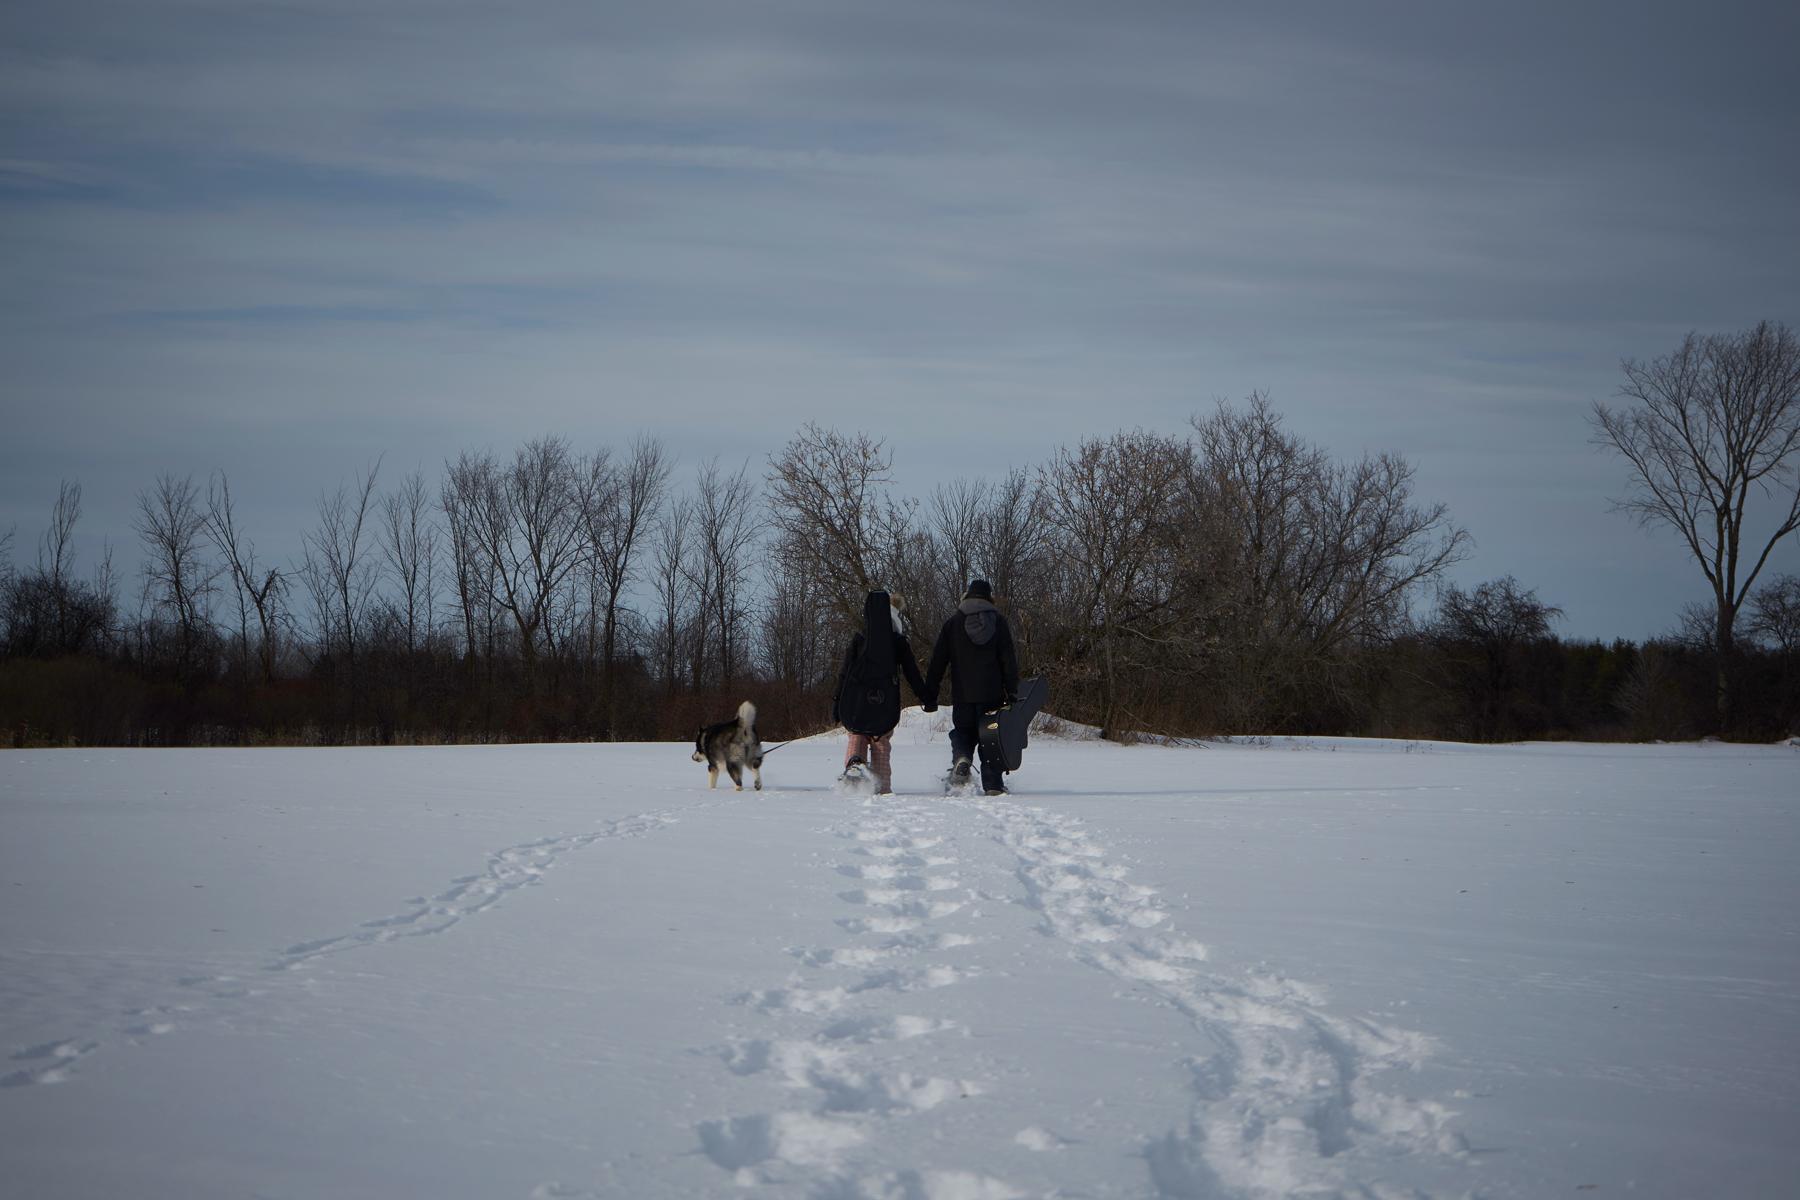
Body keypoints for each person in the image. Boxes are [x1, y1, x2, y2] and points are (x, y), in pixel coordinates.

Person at [922, 579, 1019, 795]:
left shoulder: (953, 624)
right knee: (990, 739)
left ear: (967, 596)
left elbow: (938, 662)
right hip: (992, 695)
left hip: (963, 694)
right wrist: (1013, 691)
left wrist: (930, 695)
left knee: (964, 732)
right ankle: (993, 784)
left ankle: (962, 758)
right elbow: (1008, 660)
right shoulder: (999, 623)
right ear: (989, 597)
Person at [833, 591, 929, 794]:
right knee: (880, 741)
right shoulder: (897, 641)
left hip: (857, 702)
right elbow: (912, 673)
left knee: (857, 734)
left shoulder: (859, 640)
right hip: (884, 702)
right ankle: (882, 788)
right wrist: (926, 697)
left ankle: (854, 770)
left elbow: (845, 674)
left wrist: (837, 702)